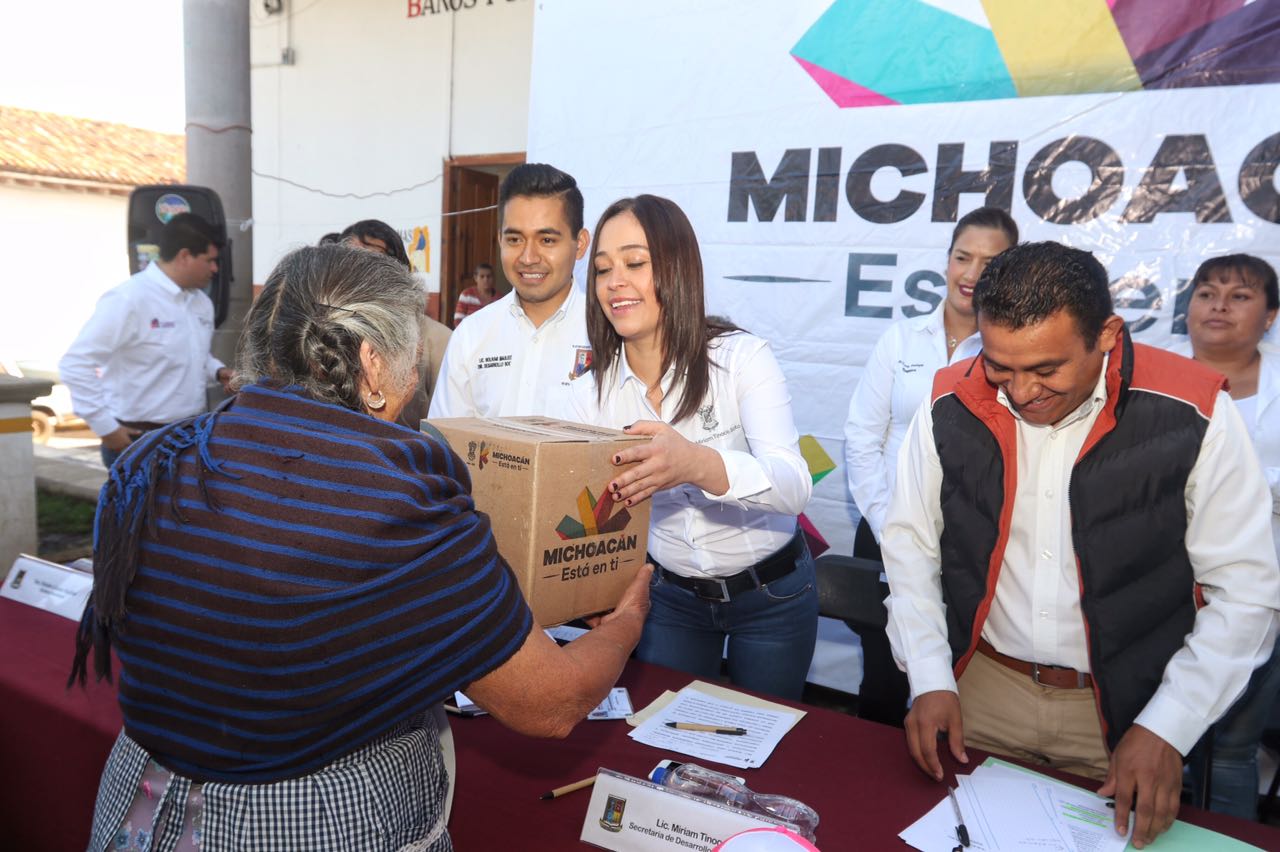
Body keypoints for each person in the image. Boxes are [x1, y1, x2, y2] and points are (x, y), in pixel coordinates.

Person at [70, 244, 651, 851]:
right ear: (373, 366)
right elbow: (548, 705)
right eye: (412, 355)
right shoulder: (399, 501)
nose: (417, 374)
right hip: (307, 821)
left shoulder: (154, 460)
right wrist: (626, 618)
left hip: (141, 805)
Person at [883, 241, 1280, 848]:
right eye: (1000, 366)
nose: (1020, 392)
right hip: (982, 691)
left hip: (1126, 711)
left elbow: (1246, 591)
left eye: (1046, 370)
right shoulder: (948, 399)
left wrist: (1169, 727)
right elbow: (911, 544)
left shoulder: (1193, 409)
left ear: (1106, 334)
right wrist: (930, 676)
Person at [566, 195, 816, 701]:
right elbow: (588, 510)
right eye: (602, 269)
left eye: (635, 263)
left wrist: (696, 464)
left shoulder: (741, 359)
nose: (615, 282)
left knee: (763, 741)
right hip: (670, 599)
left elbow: (794, 486)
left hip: (772, 594)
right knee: (666, 735)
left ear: (677, 269)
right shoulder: (589, 391)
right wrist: (591, 587)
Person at [842, 207, 1016, 725]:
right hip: (883, 529)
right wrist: (886, 521)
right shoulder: (900, 340)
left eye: (990, 262)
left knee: (954, 680)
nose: (972, 274)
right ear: (946, 262)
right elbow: (861, 438)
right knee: (881, 678)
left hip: (971, 545)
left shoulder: (1011, 352)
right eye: (963, 257)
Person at [1182, 253, 1280, 819]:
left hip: (1261, 594)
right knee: (1144, 733)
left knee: (1230, 748)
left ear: (1270, 316)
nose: (1218, 305)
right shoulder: (1153, 379)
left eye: (1239, 296)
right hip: (1162, 589)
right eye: (1207, 292)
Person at [59, 212, 232, 468]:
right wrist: (106, 429)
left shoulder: (200, 303)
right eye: (210, 260)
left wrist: (218, 372)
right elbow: (75, 364)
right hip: (138, 440)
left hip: (188, 436)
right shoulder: (129, 299)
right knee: (137, 510)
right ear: (184, 256)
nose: (215, 269)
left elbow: (195, 354)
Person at [429, 163, 592, 418]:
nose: (528, 258)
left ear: (580, 244)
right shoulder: (471, 336)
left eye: (547, 240)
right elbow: (445, 445)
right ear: (499, 241)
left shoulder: (608, 335)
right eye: (515, 240)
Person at [336, 218, 452, 427]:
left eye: (374, 264)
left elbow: (445, 429)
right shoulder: (325, 336)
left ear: (401, 272)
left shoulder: (438, 341)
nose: (361, 275)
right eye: (352, 263)